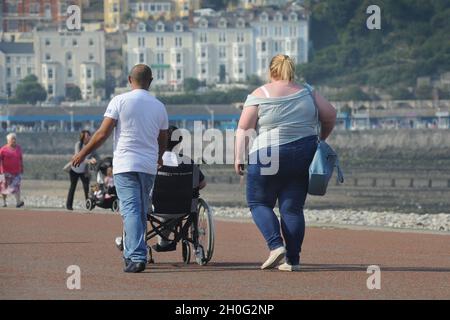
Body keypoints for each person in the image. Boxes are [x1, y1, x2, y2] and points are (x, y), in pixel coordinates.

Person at [235, 54, 337, 272]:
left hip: (267, 153)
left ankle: (275, 246)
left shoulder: (259, 94)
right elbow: (330, 115)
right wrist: (322, 138)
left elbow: (244, 128)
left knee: (258, 202)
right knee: (292, 209)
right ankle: (293, 260)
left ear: (271, 72)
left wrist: (238, 157)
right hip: (303, 152)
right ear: (292, 71)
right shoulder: (308, 92)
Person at [72, 64, 169, 273]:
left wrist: (83, 153)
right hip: (148, 166)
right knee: (141, 210)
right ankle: (134, 252)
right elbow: (163, 139)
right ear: (150, 81)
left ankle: (136, 256)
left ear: (129, 79)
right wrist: (159, 157)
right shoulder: (159, 106)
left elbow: (101, 134)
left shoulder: (119, 101)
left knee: (132, 210)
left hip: (125, 164)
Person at [152, 125, 206, 252]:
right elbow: (202, 184)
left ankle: (138, 241)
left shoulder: (153, 160)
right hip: (184, 206)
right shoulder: (188, 162)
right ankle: (164, 241)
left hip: (156, 205)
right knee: (172, 209)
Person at [66, 130, 98, 211]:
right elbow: (78, 157)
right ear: (82, 137)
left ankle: (89, 205)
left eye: (89, 135)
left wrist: (95, 160)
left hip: (84, 171)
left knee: (86, 188)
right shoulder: (78, 144)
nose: (88, 137)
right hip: (74, 169)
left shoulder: (92, 146)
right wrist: (89, 160)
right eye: (86, 136)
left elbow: (96, 157)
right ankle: (69, 206)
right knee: (72, 187)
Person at [0, 133, 24, 208]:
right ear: (8, 141)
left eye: (15, 139)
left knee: (17, 186)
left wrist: (22, 167)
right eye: (12, 139)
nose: (14, 140)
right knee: (3, 187)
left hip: (16, 172)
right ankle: (4, 202)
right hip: (4, 172)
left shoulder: (18, 148)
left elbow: (20, 158)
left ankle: (18, 202)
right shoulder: (3, 150)